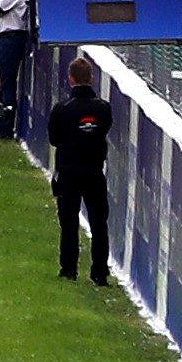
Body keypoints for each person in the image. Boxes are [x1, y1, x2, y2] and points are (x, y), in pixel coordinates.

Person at [48, 58, 112, 279]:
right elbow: (103, 130)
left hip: (69, 172)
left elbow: (54, 139)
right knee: (98, 223)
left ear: (70, 79)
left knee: (69, 223)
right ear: (91, 78)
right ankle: (100, 271)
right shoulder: (103, 108)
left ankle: (68, 269)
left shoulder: (62, 109)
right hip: (94, 171)